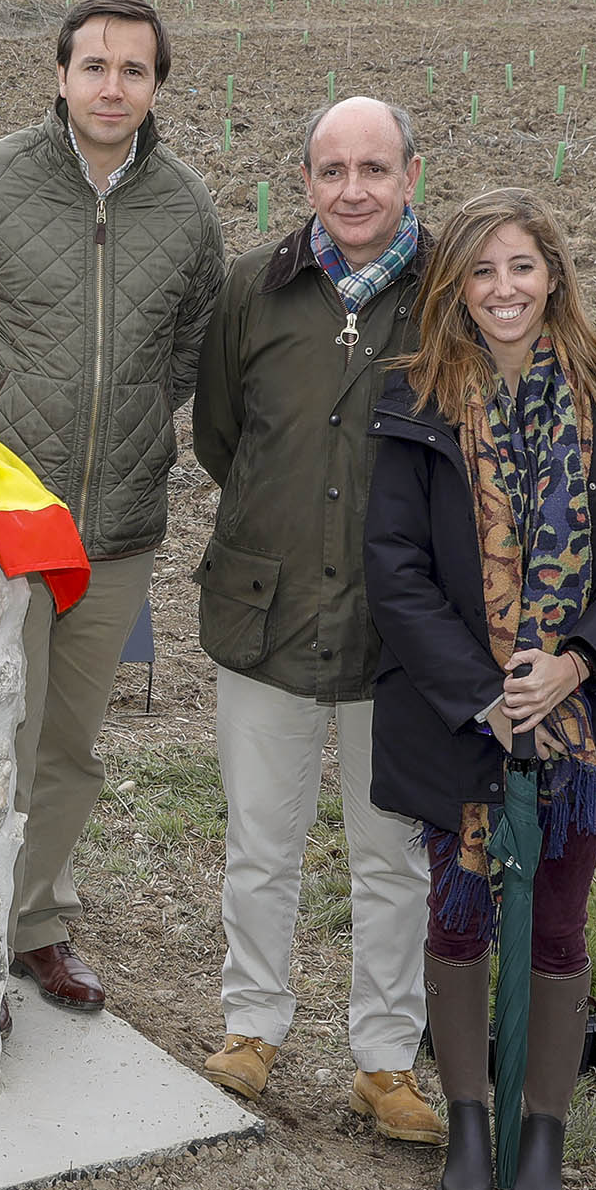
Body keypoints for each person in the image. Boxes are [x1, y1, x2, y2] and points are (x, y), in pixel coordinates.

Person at [0, 0, 224, 1016]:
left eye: (133, 69)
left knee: (70, 744)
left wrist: (115, 428)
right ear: (61, 76)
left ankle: (35, 922)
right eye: (94, 66)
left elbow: (185, 353)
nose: (112, 86)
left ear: (156, 84)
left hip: (118, 529)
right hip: (0, 532)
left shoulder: (187, 210)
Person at [364, 190, 596, 1190]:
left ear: (553, 273)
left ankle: (540, 1128)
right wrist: (478, 695)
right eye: (480, 272)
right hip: (456, 709)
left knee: (557, 918)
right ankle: (467, 1118)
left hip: (576, 721)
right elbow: (396, 567)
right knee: (453, 915)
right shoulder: (413, 400)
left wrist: (578, 663)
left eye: (521, 267)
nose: (503, 290)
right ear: (455, 288)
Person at [190, 95, 442, 1128]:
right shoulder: (257, 286)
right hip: (268, 608)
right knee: (261, 838)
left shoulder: (447, 297)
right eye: (331, 170)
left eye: (374, 169)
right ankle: (252, 1026)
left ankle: (385, 1059)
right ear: (304, 181)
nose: (353, 189)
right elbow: (223, 434)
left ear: (410, 177)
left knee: (395, 852)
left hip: (402, 629)